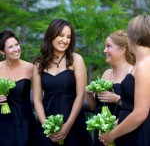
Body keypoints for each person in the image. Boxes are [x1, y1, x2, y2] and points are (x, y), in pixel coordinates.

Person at [33, 19, 93, 146]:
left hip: (73, 124)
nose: (65, 40)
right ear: (51, 35)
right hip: (47, 124)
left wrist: (68, 125)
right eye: (61, 35)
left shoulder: (76, 59)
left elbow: (80, 95)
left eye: (68, 37)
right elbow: (37, 99)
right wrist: (46, 126)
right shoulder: (39, 63)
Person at [99, 15, 150, 146]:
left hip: (139, 135)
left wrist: (112, 135)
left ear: (134, 36)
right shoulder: (142, 63)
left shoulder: (145, 65)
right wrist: (115, 125)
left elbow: (140, 113)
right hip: (129, 133)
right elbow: (130, 106)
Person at [86, 30, 135, 146]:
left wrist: (116, 99)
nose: (104, 51)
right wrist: (88, 94)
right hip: (101, 136)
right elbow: (95, 107)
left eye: (109, 47)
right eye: (105, 47)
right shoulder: (106, 74)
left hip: (122, 135)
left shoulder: (132, 73)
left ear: (123, 50)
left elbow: (137, 106)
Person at [0, 30, 36, 146]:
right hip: (2, 124)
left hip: (25, 123)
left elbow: (44, 90)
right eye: (10, 47)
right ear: (2, 51)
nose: (16, 49)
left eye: (16, 44)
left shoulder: (30, 67)